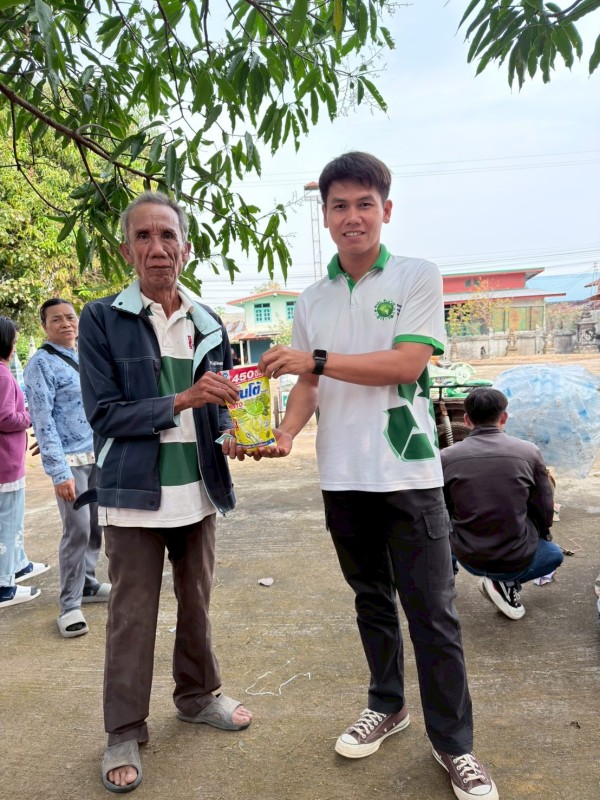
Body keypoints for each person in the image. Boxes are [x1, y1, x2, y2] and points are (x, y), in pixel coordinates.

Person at [231, 152, 498, 800]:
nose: (352, 217)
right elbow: (308, 385)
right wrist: (285, 433)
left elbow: (406, 365)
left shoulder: (415, 276)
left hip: (409, 476)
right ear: (325, 216)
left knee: (433, 613)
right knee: (371, 601)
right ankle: (388, 705)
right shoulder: (313, 299)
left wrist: (315, 359)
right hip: (343, 477)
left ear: (386, 210)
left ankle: (454, 745)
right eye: (339, 206)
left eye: (364, 204)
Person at [76, 192, 252, 793]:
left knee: (197, 602)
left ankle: (198, 696)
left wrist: (233, 434)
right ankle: (124, 730)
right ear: (127, 250)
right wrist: (182, 399)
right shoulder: (102, 318)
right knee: (131, 616)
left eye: (167, 236)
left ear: (186, 247)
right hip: (133, 495)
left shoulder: (208, 321)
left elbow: (217, 405)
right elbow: (104, 413)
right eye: (144, 237)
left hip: (198, 492)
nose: (157, 248)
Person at [23, 299, 109, 638]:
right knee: (77, 531)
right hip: (70, 463)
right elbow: (42, 421)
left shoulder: (85, 355)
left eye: (70, 317)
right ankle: (69, 605)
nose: (66, 324)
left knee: (96, 526)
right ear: (44, 326)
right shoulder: (40, 364)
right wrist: (58, 472)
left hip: (97, 455)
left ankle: (88, 584)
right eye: (56, 319)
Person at [441, 387, 564, 621]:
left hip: (466, 555)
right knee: (553, 555)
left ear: (466, 420)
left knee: (445, 523)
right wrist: (542, 534)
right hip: (514, 556)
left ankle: (445, 580)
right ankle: (506, 583)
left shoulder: (446, 457)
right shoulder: (529, 452)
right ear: (504, 417)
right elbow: (543, 507)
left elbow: (442, 510)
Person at [0, 316, 49, 607]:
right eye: (14, 341)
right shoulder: (3, 375)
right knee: (8, 523)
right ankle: (4, 585)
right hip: (5, 463)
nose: (15, 346)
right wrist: (29, 416)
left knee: (11, 520)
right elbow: (6, 417)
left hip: (6, 462)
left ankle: (18, 565)